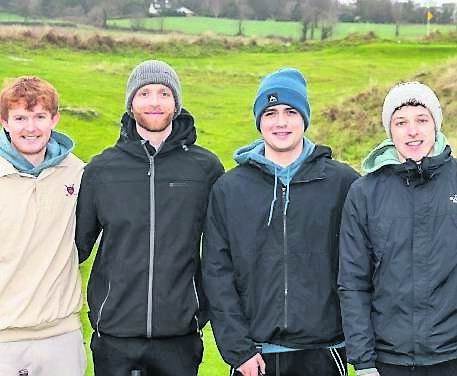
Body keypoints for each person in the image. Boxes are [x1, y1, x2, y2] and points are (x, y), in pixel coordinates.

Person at [202, 67, 359, 376]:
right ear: (259, 119)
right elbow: (216, 272)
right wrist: (239, 350)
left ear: (304, 117)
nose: (281, 122)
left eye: (290, 111)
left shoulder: (342, 183)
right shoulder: (230, 188)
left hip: (324, 353)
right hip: (255, 357)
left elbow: (361, 268)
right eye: (271, 112)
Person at [76, 60, 224, 376]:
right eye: (144, 93)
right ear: (131, 103)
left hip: (179, 337)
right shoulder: (101, 170)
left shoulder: (206, 169)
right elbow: (74, 246)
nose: (154, 102)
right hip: (114, 336)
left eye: (163, 93)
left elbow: (222, 250)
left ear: (176, 102)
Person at [338, 81, 457, 376]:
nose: (412, 131)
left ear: (436, 125)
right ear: (390, 131)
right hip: (387, 360)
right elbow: (353, 281)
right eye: (401, 122)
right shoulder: (364, 192)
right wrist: (363, 361)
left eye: (421, 119)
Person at [0, 76, 86, 375]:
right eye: (20, 118)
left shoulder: (77, 173)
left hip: (60, 335)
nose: (31, 127)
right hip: (4, 338)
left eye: (39, 117)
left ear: (55, 119)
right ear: (5, 121)